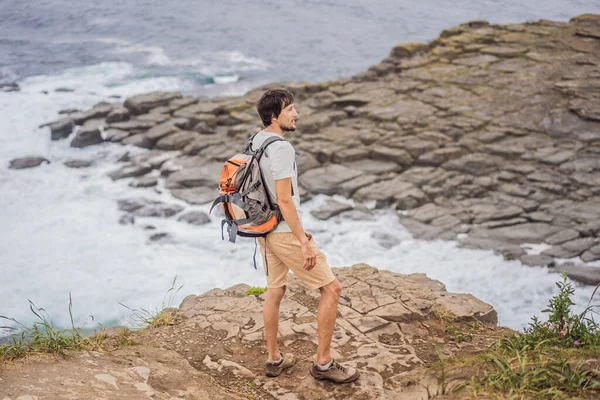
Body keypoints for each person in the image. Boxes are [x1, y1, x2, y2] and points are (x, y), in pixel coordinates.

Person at [252, 89, 359, 383]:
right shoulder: (282, 148)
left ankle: (274, 360)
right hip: (285, 232)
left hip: (265, 230)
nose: (296, 114)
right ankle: (323, 364)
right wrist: (303, 241)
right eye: (290, 109)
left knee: (275, 290)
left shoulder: (256, 140)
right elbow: (285, 200)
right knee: (332, 289)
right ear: (275, 117)